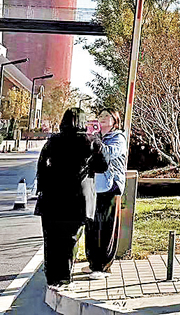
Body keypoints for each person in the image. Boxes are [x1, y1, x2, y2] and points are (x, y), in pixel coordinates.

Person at [35, 108, 108, 286]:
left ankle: (52, 276)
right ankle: (63, 277)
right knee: (70, 240)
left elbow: (41, 167)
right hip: (78, 201)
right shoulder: (92, 142)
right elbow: (103, 166)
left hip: (52, 199)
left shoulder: (53, 141)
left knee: (51, 239)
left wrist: (41, 189)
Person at [84, 108, 128, 278]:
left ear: (115, 120)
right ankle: (93, 262)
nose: (101, 119)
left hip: (111, 186)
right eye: (100, 116)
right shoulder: (96, 136)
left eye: (106, 116)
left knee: (107, 226)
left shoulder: (118, 138)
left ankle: (104, 265)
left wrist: (95, 140)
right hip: (94, 186)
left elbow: (108, 153)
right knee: (92, 225)